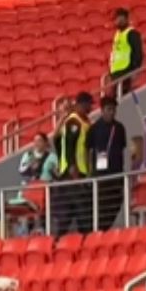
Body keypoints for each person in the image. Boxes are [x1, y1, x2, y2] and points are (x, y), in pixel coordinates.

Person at [55, 91, 94, 236]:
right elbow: (70, 146)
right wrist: (72, 168)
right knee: (79, 211)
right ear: (81, 104)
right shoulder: (74, 121)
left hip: (81, 173)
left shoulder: (85, 121)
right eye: (89, 104)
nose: (90, 108)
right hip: (73, 174)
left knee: (79, 211)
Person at [87, 94, 128, 232]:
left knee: (116, 201)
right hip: (100, 174)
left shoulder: (120, 128)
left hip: (116, 172)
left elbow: (122, 149)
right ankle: (100, 230)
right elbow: (89, 150)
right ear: (102, 110)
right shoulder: (94, 128)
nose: (112, 112)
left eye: (114, 109)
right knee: (101, 204)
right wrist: (90, 171)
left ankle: (105, 228)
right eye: (109, 109)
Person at [108, 7, 143, 97]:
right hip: (116, 72)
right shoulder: (117, 34)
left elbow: (138, 52)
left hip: (126, 70)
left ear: (123, 18)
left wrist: (135, 70)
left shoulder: (131, 33)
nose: (115, 22)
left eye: (116, 19)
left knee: (123, 96)